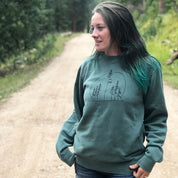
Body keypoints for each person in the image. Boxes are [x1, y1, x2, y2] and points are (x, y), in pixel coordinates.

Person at [56, 1, 168, 178]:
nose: (93, 34)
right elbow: (80, 111)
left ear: (119, 28)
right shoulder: (87, 66)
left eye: (100, 28)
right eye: (92, 28)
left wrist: (151, 157)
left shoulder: (147, 67)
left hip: (126, 169)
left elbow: (156, 117)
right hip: (86, 167)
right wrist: (62, 141)